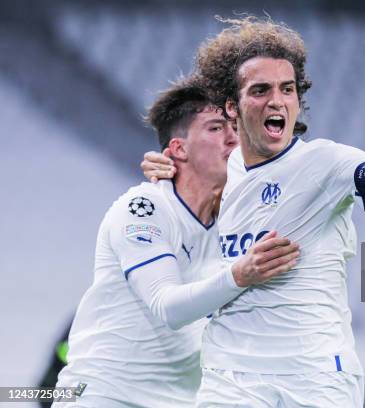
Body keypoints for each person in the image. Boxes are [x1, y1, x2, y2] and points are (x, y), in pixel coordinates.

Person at [143, 16, 365, 408]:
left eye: (287, 89)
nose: (277, 100)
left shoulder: (327, 163)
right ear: (231, 108)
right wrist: (166, 178)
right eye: (260, 90)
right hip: (232, 378)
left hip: (316, 378)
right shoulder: (216, 173)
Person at [53, 78, 299, 408]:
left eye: (236, 129)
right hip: (106, 397)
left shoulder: (240, 224)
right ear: (179, 149)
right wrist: (240, 275)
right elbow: (167, 305)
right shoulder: (144, 208)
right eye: (215, 128)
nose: (232, 139)